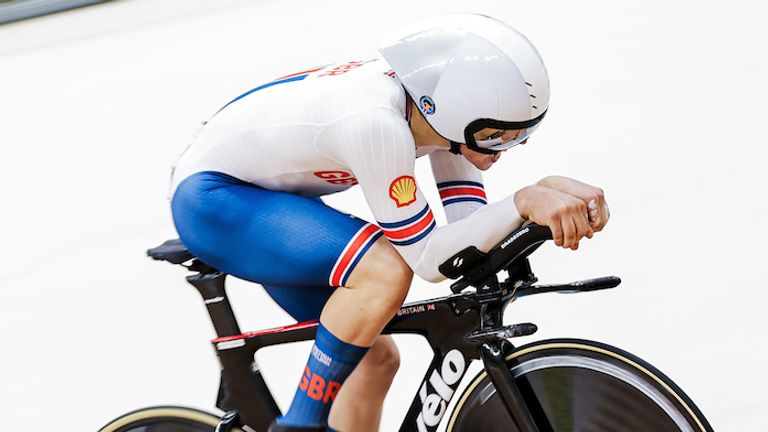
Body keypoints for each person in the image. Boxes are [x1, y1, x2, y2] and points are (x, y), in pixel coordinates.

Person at [169, 13, 609, 432]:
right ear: (454, 114)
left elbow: (468, 238)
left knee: (375, 358)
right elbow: (429, 261)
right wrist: (526, 199)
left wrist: (543, 196)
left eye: (523, 135)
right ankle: (297, 426)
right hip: (213, 198)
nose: (506, 149)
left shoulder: (438, 118)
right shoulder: (378, 125)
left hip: (270, 200)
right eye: (498, 135)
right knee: (383, 271)